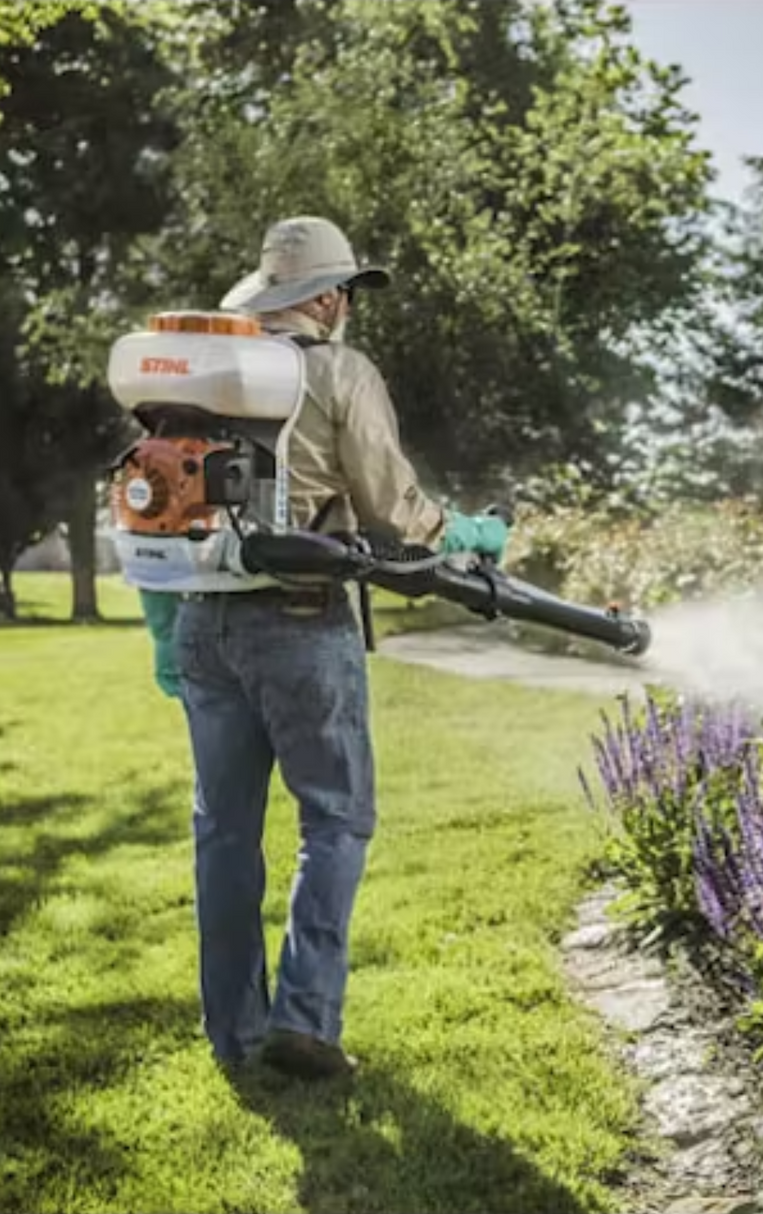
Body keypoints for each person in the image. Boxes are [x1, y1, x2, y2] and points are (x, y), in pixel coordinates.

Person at [148, 216, 507, 1079]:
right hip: (302, 619)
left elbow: (157, 505)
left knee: (224, 836)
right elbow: (393, 508)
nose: (347, 304)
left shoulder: (203, 381)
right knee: (336, 819)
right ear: (330, 298)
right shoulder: (340, 371)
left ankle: (235, 1036)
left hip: (203, 619)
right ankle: (305, 1022)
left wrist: (167, 631)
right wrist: (466, 532)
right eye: (346, 290)